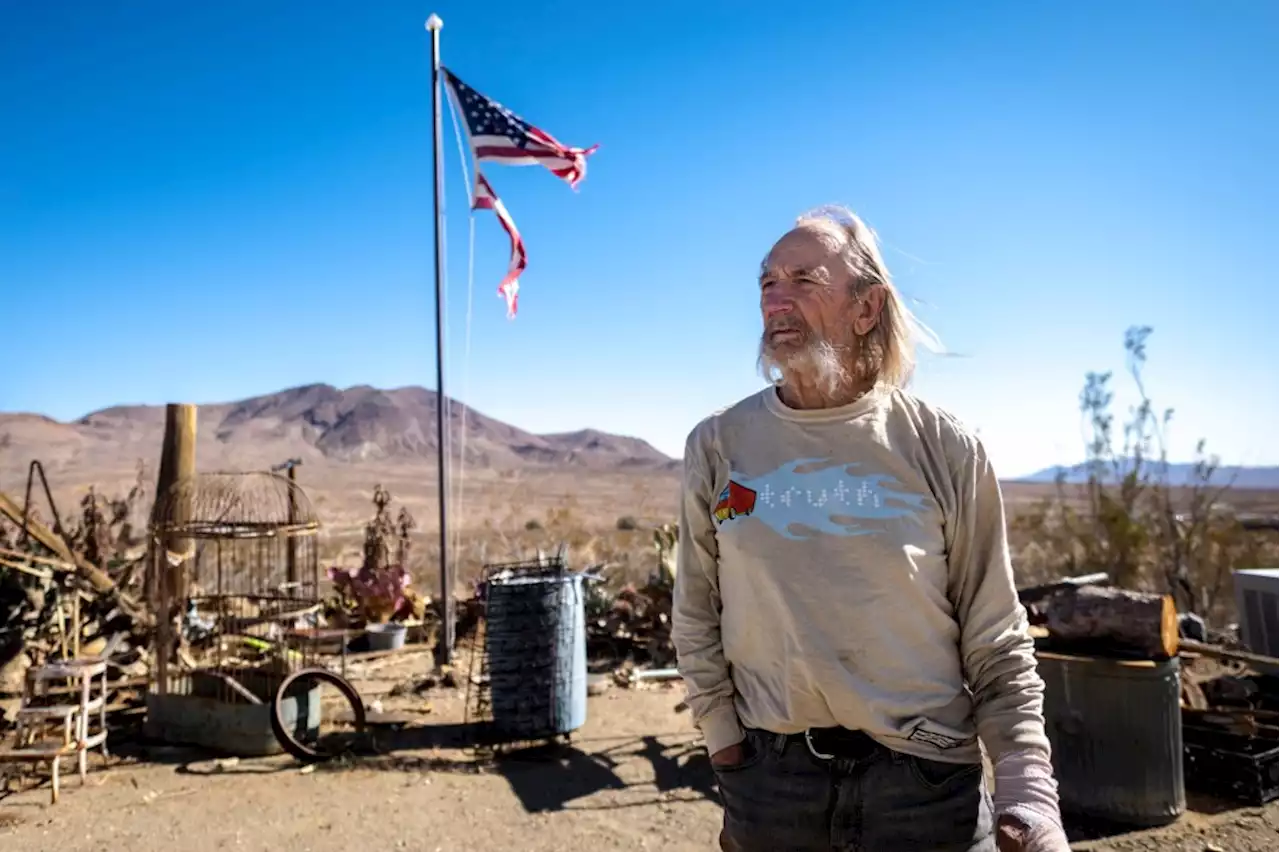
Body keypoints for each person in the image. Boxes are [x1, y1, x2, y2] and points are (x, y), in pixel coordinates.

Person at [672, 206, 1070, 852]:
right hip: (773, 786)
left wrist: (1028, 788)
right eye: (767, 282)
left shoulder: (944, 446)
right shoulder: (720, 443)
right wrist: (725, 745)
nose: (777, 298)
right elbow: (694, 611)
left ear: (867, 308)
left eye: (804, 279)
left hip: (925, 784)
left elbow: (995, 631)